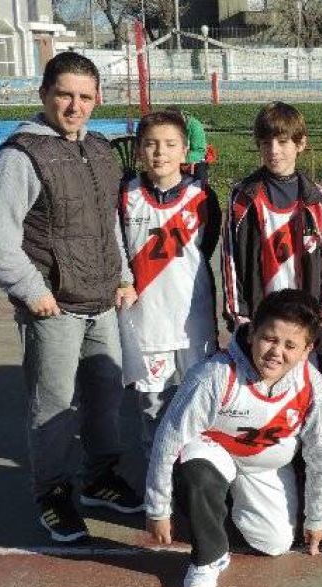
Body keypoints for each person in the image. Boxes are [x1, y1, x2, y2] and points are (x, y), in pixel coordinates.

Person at [0, 51, 143, 542]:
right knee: (54, 406)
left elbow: (109, 224)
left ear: (97, 99)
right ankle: (51, 493)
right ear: (44, 94)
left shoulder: (99, 147)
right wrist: (31, 291)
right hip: (54, 305)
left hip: (103, 300)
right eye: (65, 94)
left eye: (85, 96)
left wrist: (124, 274)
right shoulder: (20, 155)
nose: (75, 106)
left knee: (105, 397)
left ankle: (98, 478)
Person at [145, 289, 322, 587]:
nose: (277, 352)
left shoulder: (312, 385)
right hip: (214, 453)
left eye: (290, 345)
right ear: (251, 333)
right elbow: (169, 439)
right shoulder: (215, 375)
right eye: (270, 339)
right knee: (196, 475)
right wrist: (158, 508)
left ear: (307, 349)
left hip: (264, 467)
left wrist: (318, 517)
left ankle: (226, 501)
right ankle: (208, 556)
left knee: (274, 543)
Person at [118, 110, 221, 456]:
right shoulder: (125, 196)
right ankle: (159, 480)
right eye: (150, 144)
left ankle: (193, 475)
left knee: (198, 403)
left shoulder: (203, 196)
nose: (160, 152)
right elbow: (116, 247)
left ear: (185, 150)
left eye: (169, 144)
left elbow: (206, 249)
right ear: (138, 150)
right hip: (147, 324)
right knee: (153, 409)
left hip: (194, 320)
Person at [221, 102, 322, 368]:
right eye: (266, 142)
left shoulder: (316, 198)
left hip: (305, 321)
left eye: (283, 142)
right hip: (261, 323)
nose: (274, 151)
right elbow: (230, 261)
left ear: (300, 143)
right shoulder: (243, 196)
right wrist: (240, 316)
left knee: (304, 399)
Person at [164, 105, 211, 181]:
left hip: (192, 160)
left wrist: (182, 160)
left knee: (200, 174)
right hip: (172, 160)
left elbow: (200, 151)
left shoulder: (195, 126)